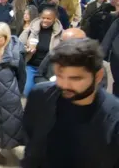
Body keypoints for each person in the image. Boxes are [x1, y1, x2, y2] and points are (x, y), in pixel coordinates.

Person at [22, 38, 119, 167]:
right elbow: (31, 140)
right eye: (59, 76)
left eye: (75, 78)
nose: (64, 85)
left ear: (98, 76)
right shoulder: (40, 96)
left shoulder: (114, 118)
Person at [20, 7, 63, 96]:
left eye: (48, 18)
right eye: (43, 18)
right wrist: (26, 49)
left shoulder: (61, 33)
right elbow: (18, 46)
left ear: (54, 19)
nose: (45, 20)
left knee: (46, 94)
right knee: (27, 92)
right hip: (31, 66)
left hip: (49, 69)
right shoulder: (29, 30)